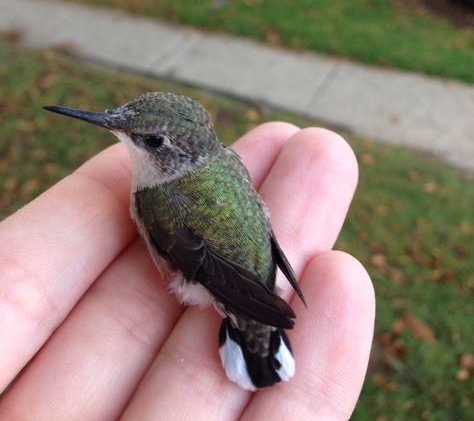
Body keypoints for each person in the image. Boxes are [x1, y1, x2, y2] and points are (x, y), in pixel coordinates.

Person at [0, 122, 375, 420]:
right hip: (253, 262)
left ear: (174, 154)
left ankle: (255, 342)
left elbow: (194, 260)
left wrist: (248, 299)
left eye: (148, 139)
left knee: (235, 294)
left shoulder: (159, 199)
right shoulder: (228, 159)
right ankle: (259, 332)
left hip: (225, 278)